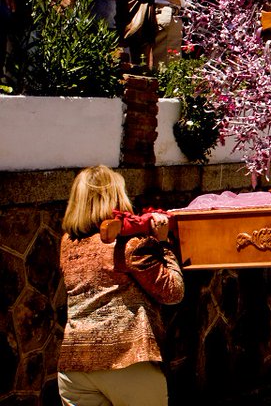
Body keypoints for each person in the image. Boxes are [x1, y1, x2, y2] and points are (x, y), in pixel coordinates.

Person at [58, 166, 184, 406]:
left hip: (74, 367)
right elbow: (173, 292)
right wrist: (163, 244)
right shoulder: (129, 245)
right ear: (115, 197)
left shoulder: (68, 243)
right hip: (126, 360)